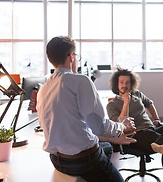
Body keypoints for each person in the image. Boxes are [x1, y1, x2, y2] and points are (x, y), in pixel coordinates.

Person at [37, 36, 136, 182]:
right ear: (71, 57)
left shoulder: (43, 89)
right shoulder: (80, 81)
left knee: (106, 147)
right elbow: (99, 127)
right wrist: (122, 126)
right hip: (82, 161)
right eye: (76, 56)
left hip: (57, 161)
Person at [107, 67, 163, 182]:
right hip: (134, 135)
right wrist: (126, 103)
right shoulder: (112, 105)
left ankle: (161, 140)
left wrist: (156, 119)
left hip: (152, 130)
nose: (124, 85)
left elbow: (149, 104)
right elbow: (120, 126)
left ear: (132, 83)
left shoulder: (137, 94)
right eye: (121, 82)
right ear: (116, 84)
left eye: (127, 82)